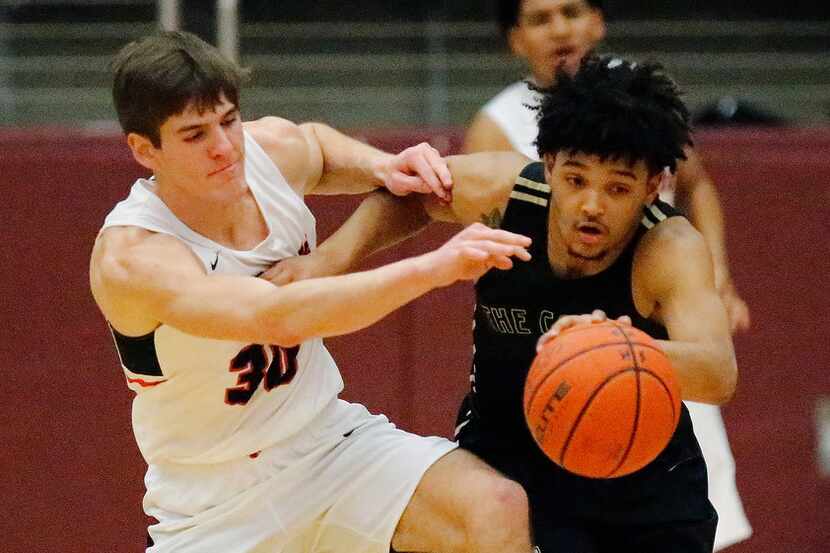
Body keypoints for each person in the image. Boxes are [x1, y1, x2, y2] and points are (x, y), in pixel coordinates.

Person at [89, 31, 536, 553]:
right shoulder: (135, 257)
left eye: (228, 121)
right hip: (213, 501)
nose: (224, 148)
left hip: (328, 444)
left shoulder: (265, 150)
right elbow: (279, 317)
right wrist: (436, 268)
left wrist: (380, 165)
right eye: (194, 135)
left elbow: (318, 149)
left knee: (495, 507)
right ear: (145, 150)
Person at [274, 56, 739, 553]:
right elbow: (413, 195)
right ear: (551, 162)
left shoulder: (667, 248)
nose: (591, 204)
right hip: (507, 455)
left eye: (618, 189)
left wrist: (620, 349)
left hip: (641, 487)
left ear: (651, 188)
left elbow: (717, 371)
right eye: (576, 179)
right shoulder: (508, 192)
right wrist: (328, 260)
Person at [463, 2, 752, 549]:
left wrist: (717, 278)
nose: (560, 29)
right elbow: (422, 193)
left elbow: (699, 185)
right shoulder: (498, 130)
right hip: (534, 387)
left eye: (570, 12)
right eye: (540, 18)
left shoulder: (646, 106)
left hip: (651, 343)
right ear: (514, 39)